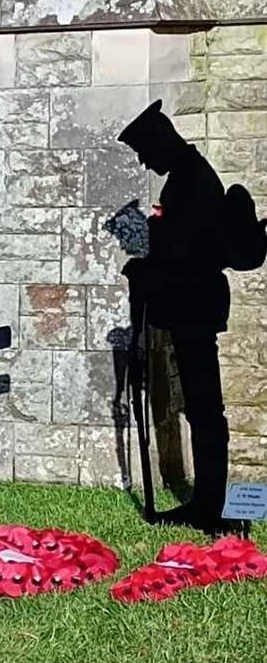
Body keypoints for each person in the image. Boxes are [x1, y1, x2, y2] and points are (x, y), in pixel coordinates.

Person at [117, 100, 233, 535]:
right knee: (201, 408)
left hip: (196, 307)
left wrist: (148, 266)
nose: (144, 162)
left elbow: (183, 251)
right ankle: (205, 502)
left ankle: (211, 507)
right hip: (191, 306)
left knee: (205, 408)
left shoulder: (192, 179)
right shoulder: (185, 177)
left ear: (161, 141)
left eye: (144, 152)